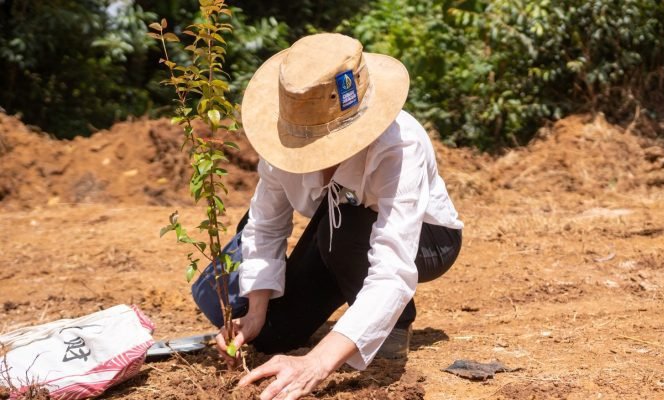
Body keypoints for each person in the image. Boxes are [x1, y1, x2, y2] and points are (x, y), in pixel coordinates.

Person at [192, 33, 463, 400]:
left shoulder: (400, 144)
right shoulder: (281, 144)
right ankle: (296, 312)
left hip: (426, 240)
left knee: (347, 229)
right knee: (272, 333)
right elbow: (264, 223)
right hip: (337, 235)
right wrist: (255, 310)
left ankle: (392, 330)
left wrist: (317, 363)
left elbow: (393, 265)